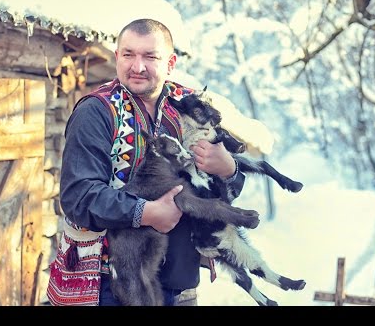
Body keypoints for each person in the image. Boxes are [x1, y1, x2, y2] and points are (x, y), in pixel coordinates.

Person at [47, 18, 245, 306]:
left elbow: (227, 189)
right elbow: (79, 197)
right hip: (111, 284)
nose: (137, 66)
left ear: (170, 63)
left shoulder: (190, 108)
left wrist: (230, 170)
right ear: (117, 57)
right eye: (128, 54)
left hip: (181, 285)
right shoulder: (97, 111)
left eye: (150, 56)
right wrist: (146, 212)